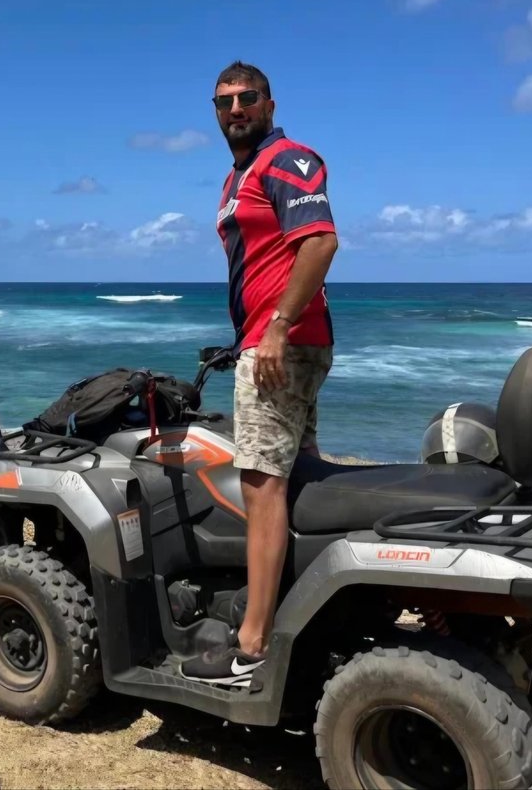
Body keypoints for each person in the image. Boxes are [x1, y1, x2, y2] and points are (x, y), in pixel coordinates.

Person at [181, 60, 338, 686]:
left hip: (283, 345)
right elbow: (268, 256)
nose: (236, 109)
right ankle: (296, 602)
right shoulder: (237, 177)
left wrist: (274, 328)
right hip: (276, 342)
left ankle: (252, 648)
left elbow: (320, 242)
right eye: (224, 102)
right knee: (297, 473)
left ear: (271, 103)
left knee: (262, 484)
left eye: (248, 98)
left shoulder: (288, 160)